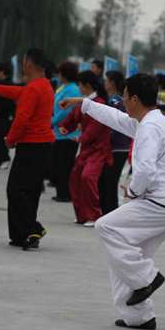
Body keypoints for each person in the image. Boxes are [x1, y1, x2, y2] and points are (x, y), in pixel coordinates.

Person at [60, 73, 165, 330]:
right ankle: (138, 316)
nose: (122, 103)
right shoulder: (150, 121)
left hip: (159, 204)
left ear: (135, 99)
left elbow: (146, 170)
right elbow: (115, 118)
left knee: (106, 227)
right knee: (123, 257)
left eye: (124, 97)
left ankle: (146, 279)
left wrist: (134, 191)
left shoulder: (149, 127)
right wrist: (84, 103)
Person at [0, 48, 55, 250]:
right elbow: (19, 92)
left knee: (15, 190)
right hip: (42, 146)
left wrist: (10, 140)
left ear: (29, 64)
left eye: (24, 62)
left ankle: (32, 228)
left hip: (31, 145)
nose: (22, 65)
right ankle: (24, 234)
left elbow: (22, 118)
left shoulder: (34, 88)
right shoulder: (43, 85)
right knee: (29, 191)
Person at [59, 70, 112, 227]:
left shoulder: (100, 103)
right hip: (86, 148)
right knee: (75, 178)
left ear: (87, 85)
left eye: (80, 85)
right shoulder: (85, 102)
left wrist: (80, 138)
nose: (78, 87)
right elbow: (73, 116)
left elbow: (96, 127)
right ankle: (82, 215)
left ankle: (94, 215)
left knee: (87, 177)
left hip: (99, 149)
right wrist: (65, 127)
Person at [99, 70, 131, 215]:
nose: (105, 84)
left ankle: (110, 212)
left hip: (116, 147)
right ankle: (108, 211)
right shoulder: (118, 101)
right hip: (121, 146)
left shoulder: (114, 101)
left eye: (107, 81)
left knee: (110, 182)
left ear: (112, 83)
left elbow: (111, 125)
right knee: (110, 181)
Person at [51, 62, 81, 202]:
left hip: (68, 133)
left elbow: (66, 112)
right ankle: (61, 191)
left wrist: (52, 122)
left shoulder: (73, 90)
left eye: (60, 73)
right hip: (58, 131)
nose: (58, 75)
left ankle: (65, 193)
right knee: (58, 164)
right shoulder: (63, 87)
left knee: (65, 165)